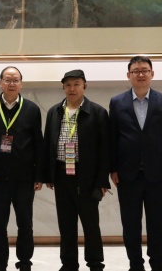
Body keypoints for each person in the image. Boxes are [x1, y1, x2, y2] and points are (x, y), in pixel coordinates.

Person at [108, 56, 162, 271]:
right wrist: (113, 168)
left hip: (158, 174)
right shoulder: (117, 102)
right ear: (128, 75)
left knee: (157, 224)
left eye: (145, 70)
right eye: (136, 71)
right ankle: (135, 265)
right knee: (130, 224)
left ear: (152, 74)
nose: (140, 74)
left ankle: (158, 264)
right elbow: (113, 138)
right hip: (127, 174)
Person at [0, 66, 44, 271]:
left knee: (25, 224)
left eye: (15, 80)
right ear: (0, 83)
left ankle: (24, 262)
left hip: (25, 178)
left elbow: (39, 144)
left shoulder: (32, 109)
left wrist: (39, 176)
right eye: (7, 80)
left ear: (21, 84)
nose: (11, 84)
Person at [44, 69, 110, 271]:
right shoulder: (54, 111)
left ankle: (95, 263)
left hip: (87, 175)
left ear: (84, 86)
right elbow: (48, 144)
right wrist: (49, 175)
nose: (72, 88)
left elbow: (105, 149)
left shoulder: (97, 112)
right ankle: (69, 263)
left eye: (76, 84)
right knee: (66, 223)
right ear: (63, 87)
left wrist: (102, 180)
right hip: (62, 173)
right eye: (68, 85)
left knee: (90, 224)